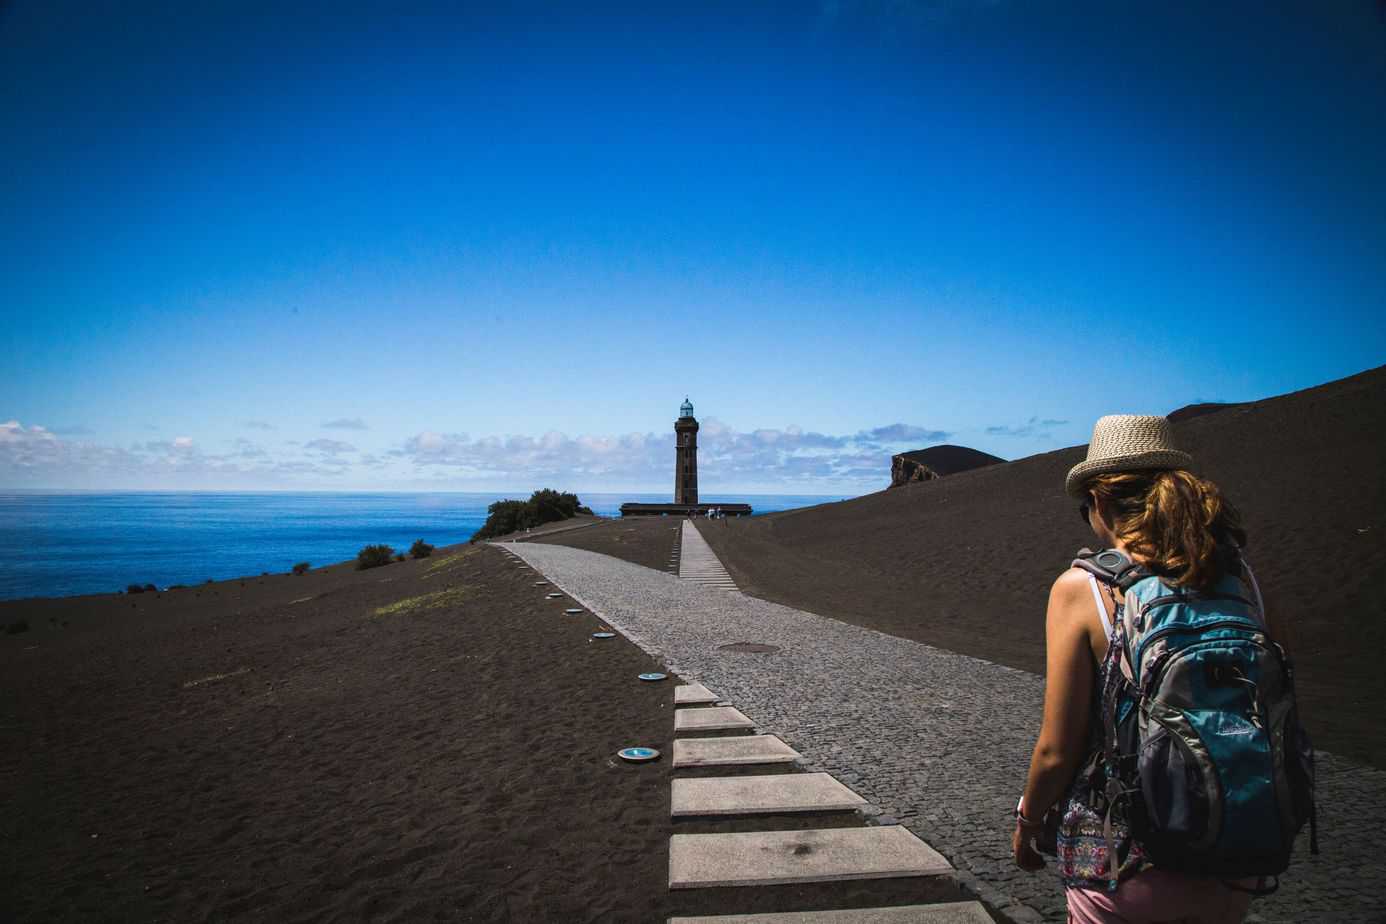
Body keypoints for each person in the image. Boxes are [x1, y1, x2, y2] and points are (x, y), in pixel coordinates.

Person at [1013, 415, 1286, 923]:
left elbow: (1057, 747)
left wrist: (1028, 820)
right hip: (1234, 853)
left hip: (1124, 860)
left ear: (1098, 501)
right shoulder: (1241, 579)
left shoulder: (1084, 589)